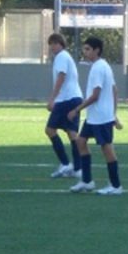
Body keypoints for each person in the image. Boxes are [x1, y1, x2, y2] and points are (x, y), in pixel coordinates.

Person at [67, 36, 123, 195]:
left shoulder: (99, 68)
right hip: (95, 117)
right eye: (84, 49)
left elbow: (95, 95)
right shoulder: (103, 66)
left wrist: (76, 110)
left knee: (107, 149)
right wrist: (114, 113)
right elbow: (114, 90)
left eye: (87, 49)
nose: (85, 52)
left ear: (96, 50)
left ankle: (116, 185)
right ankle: (87, 181)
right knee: (81, 141)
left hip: (100, 117)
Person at [44, 33, 83, 179]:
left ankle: (66, 164)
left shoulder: (61, 57)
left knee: (50, 130)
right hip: (74, 98)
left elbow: (61, 76)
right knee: (72, 132)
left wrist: (52, 99)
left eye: (54, 44)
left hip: (66, 99)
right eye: (51, 44)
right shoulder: (66, 56)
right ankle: (77, 168)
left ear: (60, 43)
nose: (52, 47)